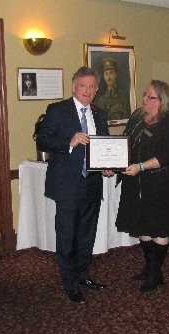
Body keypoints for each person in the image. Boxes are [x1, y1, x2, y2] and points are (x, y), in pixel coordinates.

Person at [36, 67, 113, 304]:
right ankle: (69, 283)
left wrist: (107, 166)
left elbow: (104, 147)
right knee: (67, 236)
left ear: (97, 89)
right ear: (73, 87)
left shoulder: (100, 114)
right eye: (83, 86)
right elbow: (43, 140)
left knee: (86, 235)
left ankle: (83, 276)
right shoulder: (58, 110)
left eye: (92, 86)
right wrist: (69, 141)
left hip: (92, 184)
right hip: (67, 184)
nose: (88, 91)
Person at [115, 80, 169, 292]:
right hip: (135, 182)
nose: (144, 99)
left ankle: (155, 273)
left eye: (150, 97)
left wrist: (141, 167)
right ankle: (150, 268)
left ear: (163, 100)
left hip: (160, 183)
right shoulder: (137, 118)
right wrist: (111, 164)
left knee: (159, 227)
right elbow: (123, 144)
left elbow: (168, 155)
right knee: (142, 226)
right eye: (145, 95)